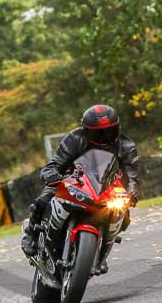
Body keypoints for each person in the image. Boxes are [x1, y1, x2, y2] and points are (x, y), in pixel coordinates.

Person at [21, 104, 139, 256]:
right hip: (72, 181)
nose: (104, 137)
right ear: (86, 131)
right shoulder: (75, 138)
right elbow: (55, 164)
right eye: (98, 134)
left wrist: (132, 191)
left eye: (109, 131)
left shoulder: (127, 146)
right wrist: (52, 175)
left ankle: (100, 252)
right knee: (43, 200)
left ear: (117, 128)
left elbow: (132, 175)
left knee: (123, 216)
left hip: (107, 188)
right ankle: (30, 234)